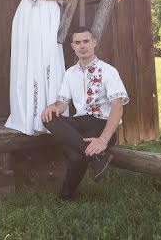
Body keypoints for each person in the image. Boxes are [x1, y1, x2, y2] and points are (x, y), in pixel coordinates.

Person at [4, 0, 81, 136]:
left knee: (49, 56)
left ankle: (51, 116)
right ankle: (31, 116)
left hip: (50, 13)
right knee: (33, 58)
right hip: (33, 12)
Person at [42, 27, 129, 200]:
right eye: (78, 42)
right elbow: (62, 103)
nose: (82, 46)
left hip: (102, 124)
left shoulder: (108, 71)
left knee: (76, 155)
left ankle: (65, 196)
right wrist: (53, 107)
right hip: (81, 122)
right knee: (49, 118)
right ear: (73, 46)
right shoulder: (70, 73)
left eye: (86, 41)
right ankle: (98, 157)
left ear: (94, 43)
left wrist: (103, 139)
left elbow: (117, 107)